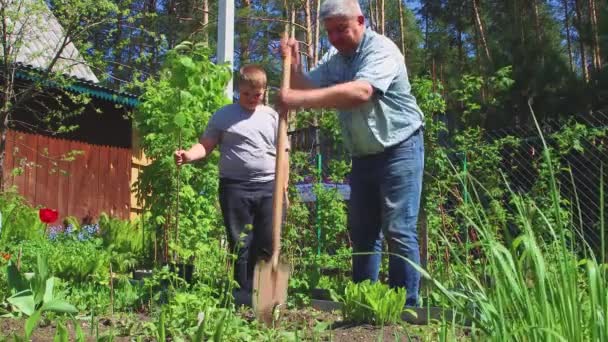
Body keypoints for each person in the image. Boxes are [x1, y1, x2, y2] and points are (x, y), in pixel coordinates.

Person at [278, 0, 424, 306]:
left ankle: (407, 308)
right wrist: (292, 65)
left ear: (360, 20)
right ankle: (364, 303)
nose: (334, 38)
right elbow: (306, 86)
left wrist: (300, 100)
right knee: (363, 231)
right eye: (329, 32)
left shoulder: (381, 49)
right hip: (362, 156)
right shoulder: (336, 58)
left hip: (400, 147)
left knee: (398, 229)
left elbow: (361, 92)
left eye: (341, 30)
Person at [174, 64, 289, 305]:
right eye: (246, 94)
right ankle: (242, 297)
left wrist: (284, 187)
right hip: (234, 187)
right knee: (240, 242)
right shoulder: (224, 115)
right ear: (239, 89)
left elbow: (284, 154)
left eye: (256, 95)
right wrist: (188, 155)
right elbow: (205, 145)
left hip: (269, 188)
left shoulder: (273, 117)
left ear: (264, 91)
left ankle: (266, 299)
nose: (251, 99)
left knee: (267, 241)